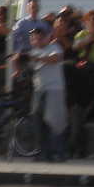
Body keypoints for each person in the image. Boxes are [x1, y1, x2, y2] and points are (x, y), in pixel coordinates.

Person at [28, 27, 67, 161]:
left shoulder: (54, 47)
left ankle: (58, 153)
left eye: (39, 37)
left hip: (54, 89)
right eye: (33, 38)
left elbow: (55, 58)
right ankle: (42, 152)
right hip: (39, 89)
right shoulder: (32, 52)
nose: (36, 40)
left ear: (46, 38)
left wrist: (37, 57)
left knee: (54, 121)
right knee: (37, 120)